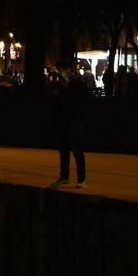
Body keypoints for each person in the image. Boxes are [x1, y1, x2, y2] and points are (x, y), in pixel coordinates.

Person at [50, 60, 86, 188]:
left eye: (62, 70)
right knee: (64, 151)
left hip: (74, 120)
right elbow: (56, 100)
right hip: (64, 120)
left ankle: (81, 179)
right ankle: (64, 177)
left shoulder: (76, 81)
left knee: (77, 151)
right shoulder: (60, 83)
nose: (61, 73)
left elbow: (78, 98)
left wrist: (67, 87)